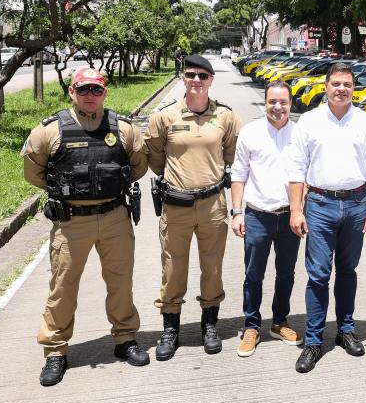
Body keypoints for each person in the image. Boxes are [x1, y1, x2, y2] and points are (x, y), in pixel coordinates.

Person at [22, 67, 150, 386]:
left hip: (114, 217)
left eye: (96, 90)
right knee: (63, 286)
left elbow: (138, 165)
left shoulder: (124, 127)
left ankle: (125, 340)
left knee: (120, 283)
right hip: (71, 222)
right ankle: (55, 351)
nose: (90, 96)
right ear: (71, 92)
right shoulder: (50, 130)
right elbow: (33, 171)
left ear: (105, 92)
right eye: (83, 90)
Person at [287, 62, 366, 373]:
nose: (341, 89)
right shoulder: (309, 122)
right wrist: (295, 209)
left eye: (347, 84)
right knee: (318, 275)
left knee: (347, 271)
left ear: (353, 88)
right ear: (326, 86)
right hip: (319, 204)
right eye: (336, 84)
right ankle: (314, 341)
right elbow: (296, 168)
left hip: (357, 204)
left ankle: (345, 330)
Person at [145, 54, 242, 360]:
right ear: (182, 78)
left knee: (212, 268)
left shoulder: (225, 116)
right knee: (173, 269)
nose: (196, 80)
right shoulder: (164, 117)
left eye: (203, 75)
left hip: (213, 204)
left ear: (211, 79)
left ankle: (209, 325)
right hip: (176, 205)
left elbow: (234, 155)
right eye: (191, 75)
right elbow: (156, 158)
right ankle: (170, 328)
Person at [229, 81, 303, 357]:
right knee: (253, 274)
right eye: (273, 101)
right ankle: (252, 325)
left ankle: (280, 321)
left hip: (288, 217)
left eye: (283, 102)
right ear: (265, 102)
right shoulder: (250, 133)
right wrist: (237, 212)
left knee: (286, 273)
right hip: (257, 215)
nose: (278, 107)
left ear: (290, 103)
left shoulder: (300, 134)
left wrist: (300, 210)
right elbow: (239, 174)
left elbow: (305, 174)